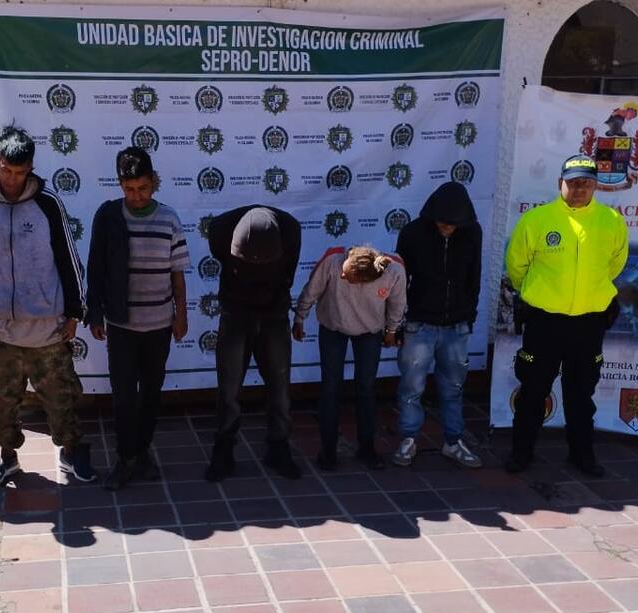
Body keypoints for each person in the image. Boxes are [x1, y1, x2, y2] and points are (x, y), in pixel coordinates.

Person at [0, 126, 95, 486]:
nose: (13, 179)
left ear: (31, 168)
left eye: (20, 172)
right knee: (2, 402)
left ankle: (71, 453)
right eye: (6, 170)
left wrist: (74, 313)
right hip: (2, 330)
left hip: (47, 330)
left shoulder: (48, 204)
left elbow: (68, 259)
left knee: (62, 399)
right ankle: (7, 458)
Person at [504, 154, 628, 477]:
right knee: (533, 390)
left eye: (586, 183)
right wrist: (541, 294)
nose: (579, 189)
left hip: (588, 323)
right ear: (560, 183)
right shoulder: (536, 220)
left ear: (595, 186)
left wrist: (588, 294)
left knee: (581, 394)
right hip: (545, 322)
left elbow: (615, 264)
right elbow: (516, 267)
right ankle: (521, 452)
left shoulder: (611, 221)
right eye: (573, 183)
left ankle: (582, 455)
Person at [86, 147, 190, 490]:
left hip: (159, 325)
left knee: (151, 393)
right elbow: (96, 267)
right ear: (120, 185)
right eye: (129, 189)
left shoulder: (169, 219)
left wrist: (181, 314)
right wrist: (95, 312)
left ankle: (143, 453)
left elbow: (177, 274)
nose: (136, 196)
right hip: (121, 325)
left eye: (143, 188)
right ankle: (125, 457)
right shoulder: (109, 217)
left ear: (153, 182)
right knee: (123, 395)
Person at [204, 205, 302, 482]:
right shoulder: (220, 230)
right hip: (235, 313)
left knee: (280, 388)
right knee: (229, 388)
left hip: (275, 315)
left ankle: (279, 447)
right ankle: (223, 450)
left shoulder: (291, 230)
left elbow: (288, 274)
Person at [392, 181, 484, 469]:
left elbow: (474, 277)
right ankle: (408, 439)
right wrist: (399, 321)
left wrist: (468, 316)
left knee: (453, 388)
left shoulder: (472, 232)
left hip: (457, 325)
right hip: (419, 323)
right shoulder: (412, 233)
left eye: (454, 224)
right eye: (443, 222)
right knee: (411, 387)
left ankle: (453, 442)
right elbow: (400, 280)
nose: (447, 227)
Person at [293, 245, 405, 471]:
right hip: (333, 327)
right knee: (330, 387)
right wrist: (299, 318)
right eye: (343, 272)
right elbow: (311, 290)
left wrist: (392, 331)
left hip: (370, 332)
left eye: (348, 277)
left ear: (365, 281)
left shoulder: (394, 271)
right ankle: (328, 450)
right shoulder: (333, 261)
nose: (343, 276)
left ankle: (367, 448)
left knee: (366, 388)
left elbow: (397, 304)